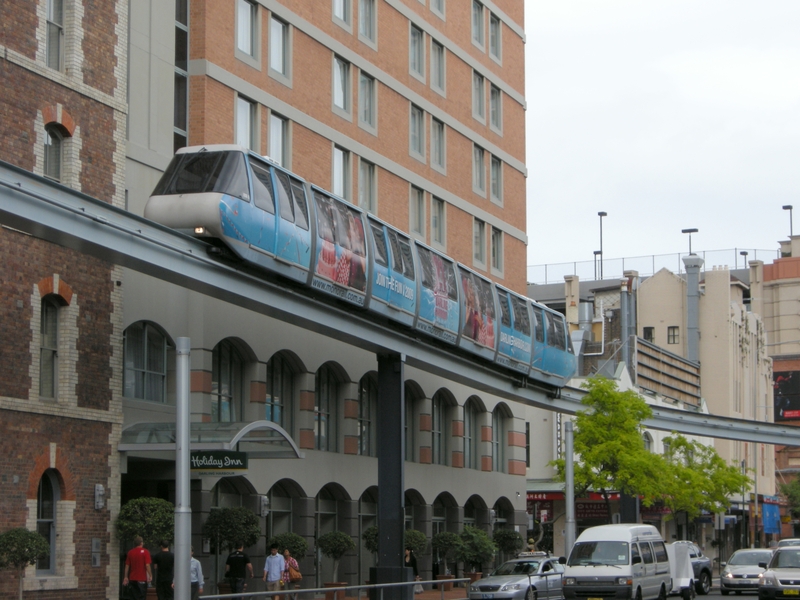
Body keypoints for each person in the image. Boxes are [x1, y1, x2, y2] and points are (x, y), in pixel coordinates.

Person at [123, 535, 152, 600]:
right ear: (141, 543)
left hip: (132, 579)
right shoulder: (145, 552)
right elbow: (147, 565)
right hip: (142, 579)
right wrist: (150, 575)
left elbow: (127, 566)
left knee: (133, 597)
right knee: (142, 597)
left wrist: (125, 576)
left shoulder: (130, 552)